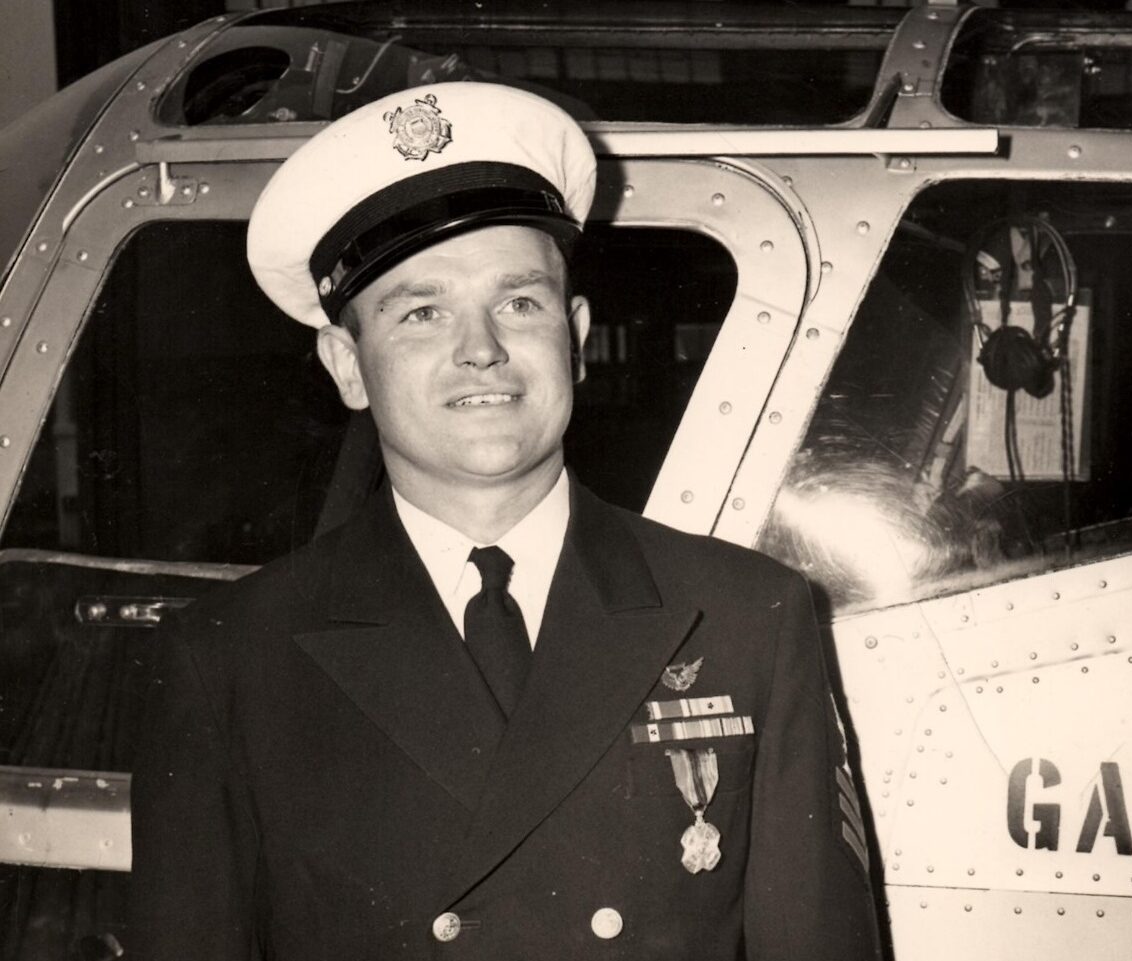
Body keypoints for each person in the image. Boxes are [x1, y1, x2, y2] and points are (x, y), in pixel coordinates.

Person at [130, 81, 882, 960]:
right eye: (422, 313)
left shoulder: (748, 615)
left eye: (518, 303)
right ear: (347, 366)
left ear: (576, 335)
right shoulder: (231, 656)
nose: (481, 349)